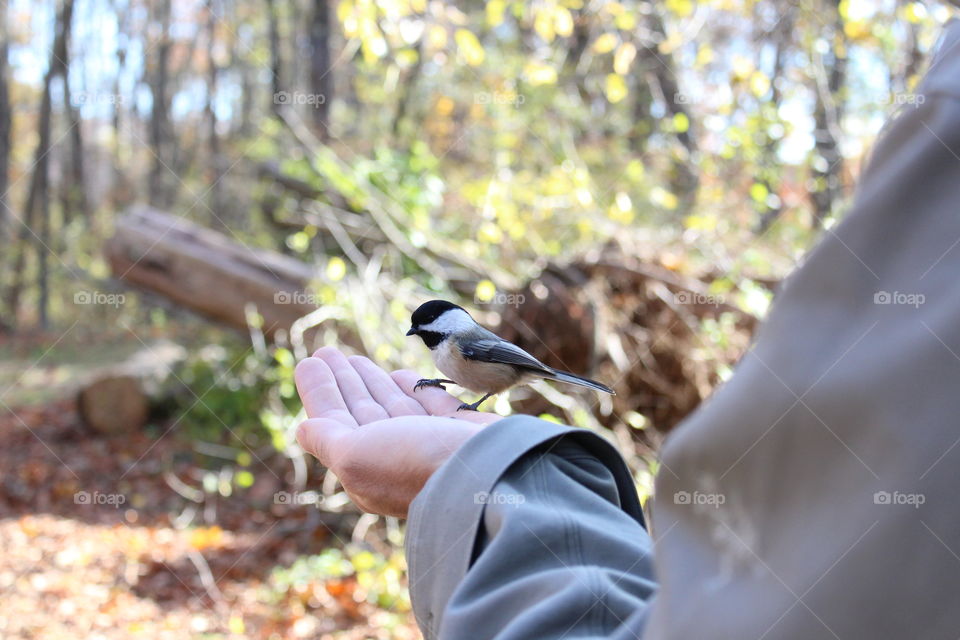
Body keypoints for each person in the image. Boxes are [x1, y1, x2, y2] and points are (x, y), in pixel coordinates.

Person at [294, 20, 960, 640]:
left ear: (442, 326)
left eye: (424, 329)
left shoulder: (465, 340)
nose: (423, 336)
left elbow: (501, 368)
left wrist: (480, 464)